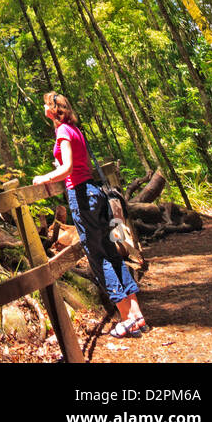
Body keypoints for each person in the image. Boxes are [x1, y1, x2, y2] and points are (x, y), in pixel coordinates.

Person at [33, 90, 148, 337]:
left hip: (82, 197)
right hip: (94, 194)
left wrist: (44, 178)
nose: (43, 109)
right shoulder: (75, 130)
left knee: (99, 257)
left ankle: (126, 318)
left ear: (53, 110)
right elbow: (76, 164)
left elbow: (67, 168)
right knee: (111, 252)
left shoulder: (62, 131)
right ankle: (137, 315)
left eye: (45, 105)